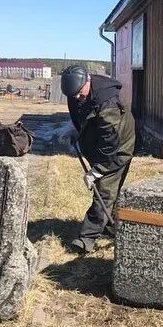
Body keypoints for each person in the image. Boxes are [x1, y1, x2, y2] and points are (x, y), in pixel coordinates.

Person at [61, 65, 135, 254]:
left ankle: (87, 238)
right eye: (74, 96)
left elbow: (111, 141)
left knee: (105, 191)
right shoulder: (77, 93)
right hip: (100, 144)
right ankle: (111, 227)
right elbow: (80, 116)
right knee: (109, 191)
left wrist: (98, 169)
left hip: (119, 147)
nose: (77, 98)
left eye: (80, 94)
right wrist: (77, 132)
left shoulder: (107, 102)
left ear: (87, 81)